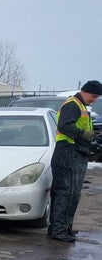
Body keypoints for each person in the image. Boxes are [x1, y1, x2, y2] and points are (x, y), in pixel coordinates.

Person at [48, 80, 102, 242]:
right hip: (68, 152)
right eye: (94, 96)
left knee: (69, 193)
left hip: (72, 152)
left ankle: (63, 228)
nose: (95, 99)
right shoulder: (73, 105)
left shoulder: (80, 105)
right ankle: (59, 231)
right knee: (67, 192)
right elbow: (65, 126)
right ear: (85, 91)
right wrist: (86, 135)